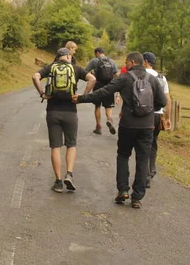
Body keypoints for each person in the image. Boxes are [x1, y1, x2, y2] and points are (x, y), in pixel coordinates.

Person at [72, 52, 167, 209]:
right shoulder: (153, 80)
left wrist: (82, 98)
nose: (125, 65)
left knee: (123, 156)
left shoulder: (125, 78)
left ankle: (123, 190)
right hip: (147, 126)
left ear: (131, 62)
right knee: (143, 160)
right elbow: (162, 101)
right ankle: (137, 198)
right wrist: (149, 109)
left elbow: (104, 92)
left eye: (126, 63)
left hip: (128, 124)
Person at [32, 47, 96, 193]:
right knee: (71, 144)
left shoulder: (50, 67)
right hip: (70, 112)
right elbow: (92, 79)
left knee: (55, 146)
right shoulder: (76, 68)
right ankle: (69, 174)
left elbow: (35, 76)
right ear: (67, 56)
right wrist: (82, 97)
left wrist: (42, 93)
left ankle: (58, 181)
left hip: (53, 112)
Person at [142, 52, 172, 188]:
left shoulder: (142, 75)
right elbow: (168, 100)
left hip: (144, 114)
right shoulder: (162, 78)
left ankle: (146, 174)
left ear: (145, 61)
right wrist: (168, 117)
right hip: (157, 115)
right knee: (153, 142)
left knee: (143, 144)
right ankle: (152, 168)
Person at [84, 47, 118, 135]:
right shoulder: (112, 61)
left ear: (97, 53)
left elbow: (85, 72)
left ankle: (98, 126)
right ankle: (109, 119)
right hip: (109, 86)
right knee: (108, 106)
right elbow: (116, 74)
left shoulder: (94, 61)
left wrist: (92, 74)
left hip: (98, 85)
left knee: (97, 106)